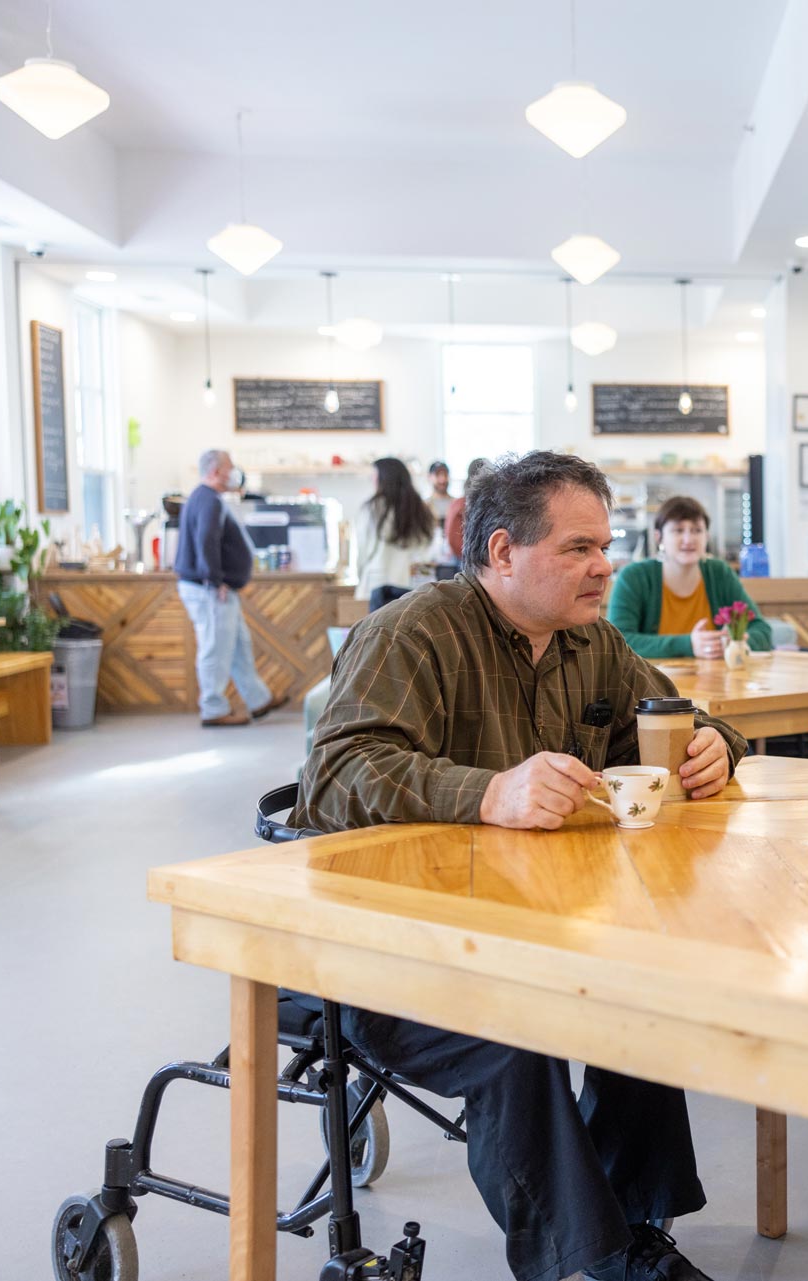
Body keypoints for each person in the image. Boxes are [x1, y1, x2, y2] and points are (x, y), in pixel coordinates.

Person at [295, 450, 744, 1281]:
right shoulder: (412, 633)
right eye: (578, 548)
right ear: (502, 552)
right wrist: (488, 791)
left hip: (532, 926)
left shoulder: (592, 643)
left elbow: (679, 717)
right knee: (513, 1035)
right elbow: (337, 776)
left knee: (640, 989)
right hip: (389, 945)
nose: (605, 565)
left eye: (605, 545)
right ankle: (593, 1260)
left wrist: (720, 745)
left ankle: (632, 1230)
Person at [173, 448, 286, 727]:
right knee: (215, 648)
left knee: (238, 645)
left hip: (213, 587)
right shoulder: (208, 500)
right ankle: (213, 708)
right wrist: (214, 579)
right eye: (229, 467)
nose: (234, 472)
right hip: (209, 589)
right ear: (215, 471)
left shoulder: (204, 498)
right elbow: (206, 540)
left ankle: (258, 699)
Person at [608, 496, 774, 659]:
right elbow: (617, 642)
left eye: (697, 530)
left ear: (706, 537)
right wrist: (689, 644)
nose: (689, 539)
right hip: (650, 681)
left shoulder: (719, 572)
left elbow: (762, 631)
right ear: (659, 537)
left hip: (715, 681)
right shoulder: (634, 577)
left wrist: (736, 641)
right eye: (678, 530)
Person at [352, 456, 436, 602]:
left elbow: (363, 550)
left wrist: (360, 577)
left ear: (383, 479)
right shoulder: (421, 509)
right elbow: (428, 553)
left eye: (374, 476)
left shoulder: (372, 508)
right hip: (413, 589)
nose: (373, 481)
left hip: (376, 587)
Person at [444, 456, 489, 564]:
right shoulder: (461, 504)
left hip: (473, 559)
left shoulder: (461, 503)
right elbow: (452, 537)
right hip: (466, 560)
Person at [425, 459, 453, 523]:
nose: (442, 479)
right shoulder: (424, 506)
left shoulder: (457, 505)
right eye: (438, 475)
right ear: (429, 477)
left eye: (445, 474)